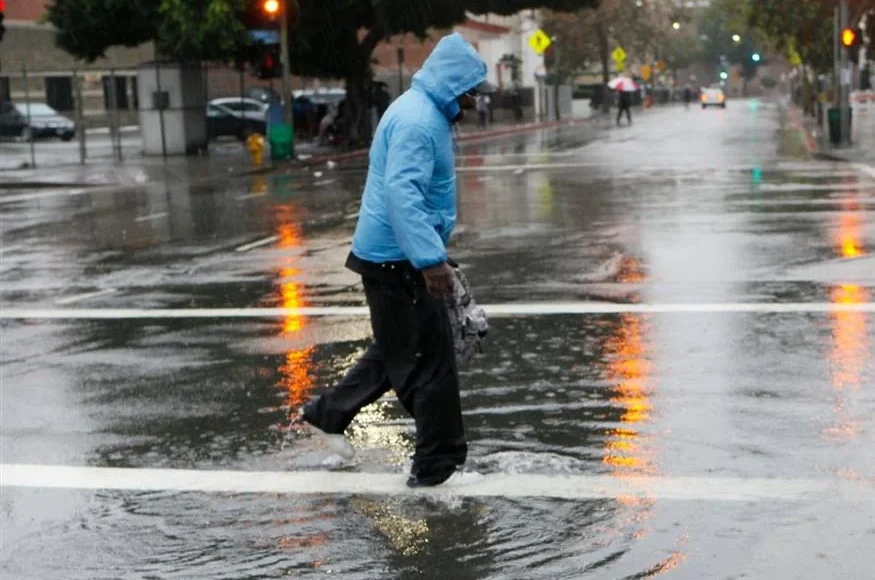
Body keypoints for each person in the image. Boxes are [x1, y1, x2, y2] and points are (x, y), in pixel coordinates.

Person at [298, 32, 495, 488]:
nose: (472, 101)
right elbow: (402, 194)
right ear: (451, 84)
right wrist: (429, 260)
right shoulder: (418, 122)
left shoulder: (423, 111)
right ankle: (435, 470)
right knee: (430, 362)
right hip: (399, 261)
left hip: (393, 255)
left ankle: (329, 414)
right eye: (468, 91)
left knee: (398, 349)